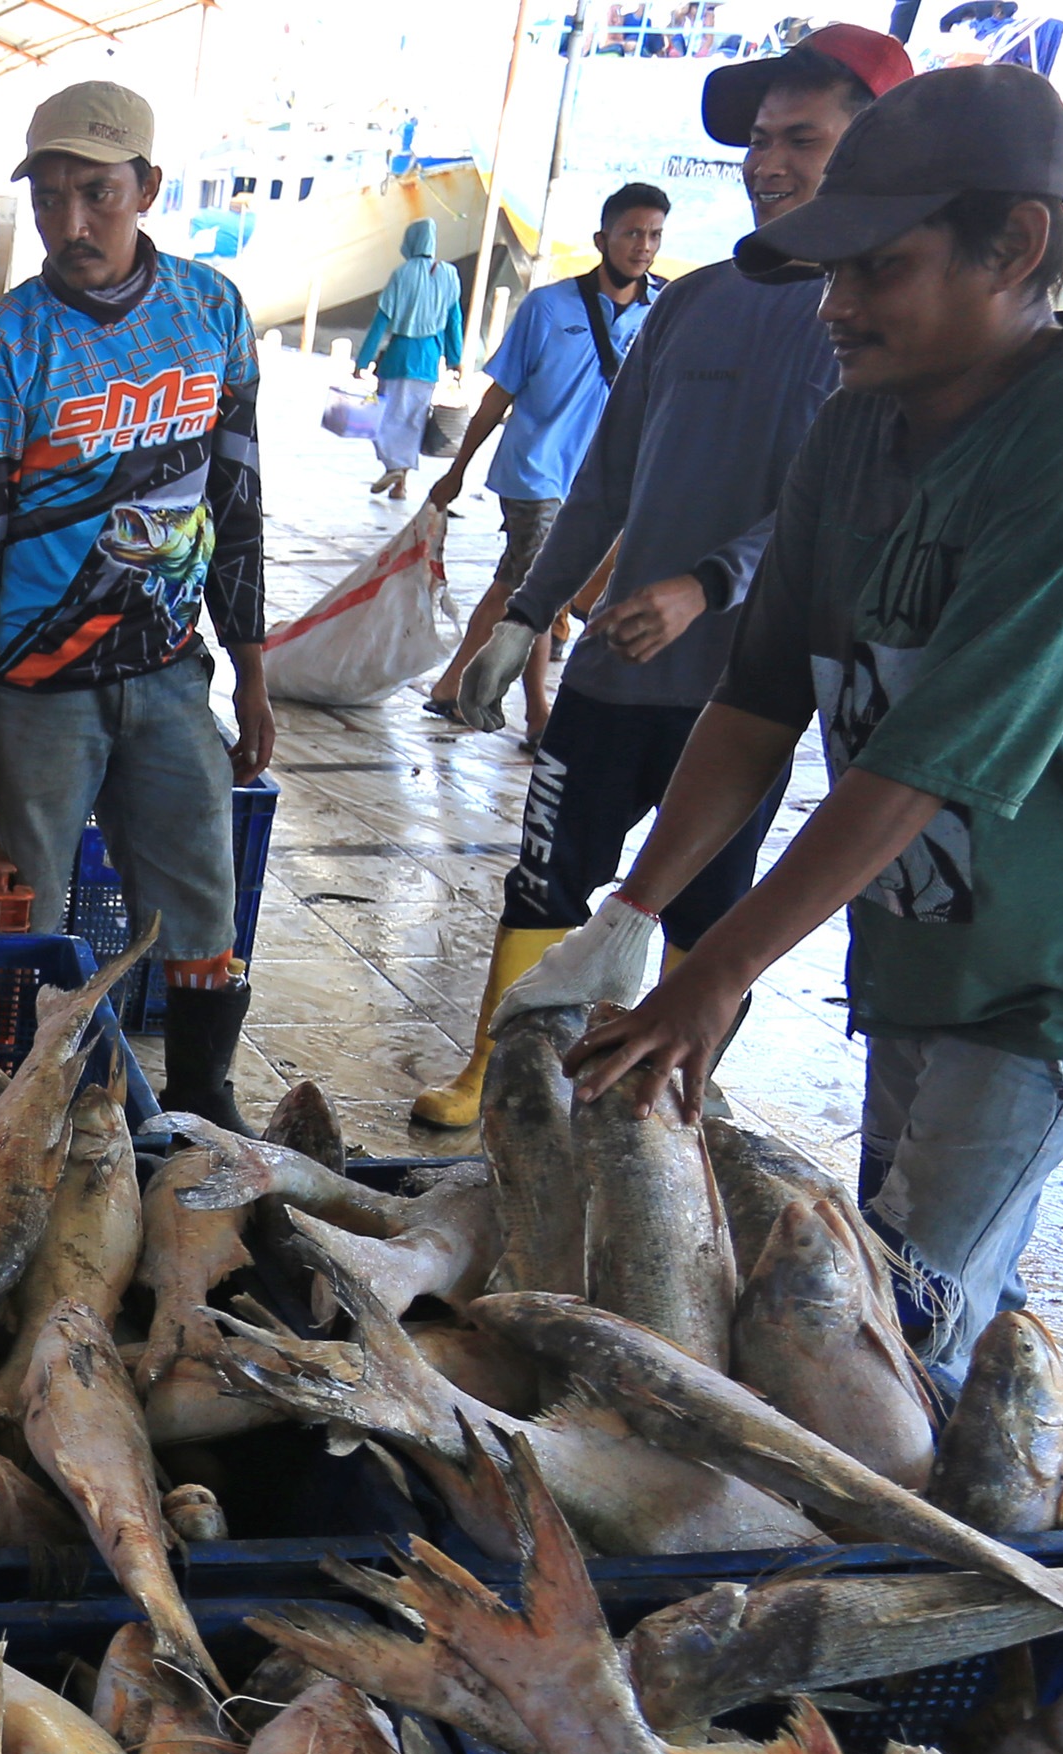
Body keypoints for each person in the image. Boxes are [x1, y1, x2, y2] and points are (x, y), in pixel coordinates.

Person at [565, 65, 1063, 1372]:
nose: (836, 306)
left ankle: (937, 1470)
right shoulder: (856, 425)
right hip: (922, 937)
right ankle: (992, 1443)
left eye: (878, 269)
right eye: (831, 272)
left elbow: (931, 756)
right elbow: (757, 699)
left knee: (890, 1315)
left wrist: (717, 972)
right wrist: (632, 916)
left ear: (1016, 246)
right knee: (930, 1255)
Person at [411, 22, 914, 1128]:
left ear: (877, 148)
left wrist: (709, 583)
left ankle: (673, 1099)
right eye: (759, 140)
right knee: (546, 873)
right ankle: (495, 1072)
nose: (766, 163)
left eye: (802, 139)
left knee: (708, 905)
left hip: (748, 688)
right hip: (614, 669)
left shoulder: (881, 324)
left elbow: (835, 503)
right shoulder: (691, 300)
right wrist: (526, 613)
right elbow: (605, 478)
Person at [0, 80, 273, 1129]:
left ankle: (203, 1100)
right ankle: (22, 1110)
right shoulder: (3, 347)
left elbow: (237, 497)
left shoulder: (212, 311)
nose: (71, 223)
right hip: (35, 694)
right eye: (50, 197)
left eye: (98, 194)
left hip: (170, 674)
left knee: (201, 897)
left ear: (149, 188)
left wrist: (252, 669)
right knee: (27, 909)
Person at [425, 182, 670, 735]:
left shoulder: (665, 310)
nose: (644, 246)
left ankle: (452, 685)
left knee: (512, 583)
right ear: (602, 239)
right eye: (632, 233)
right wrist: (457, 470)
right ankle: (537, 714)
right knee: (541, 586)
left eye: (655, 235)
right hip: (535, 471)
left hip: (606, 478)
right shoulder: (548, 306)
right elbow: (498, 394)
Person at [355, 218, 465, 498]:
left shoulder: (401, 274)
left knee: (385, 418)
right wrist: (455, 359)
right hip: (429, 360)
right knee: (413, 422)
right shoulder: (450, 275)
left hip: (398, 356)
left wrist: (362, 361)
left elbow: (380, 322)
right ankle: (400, 485)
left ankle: (393, 467)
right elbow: (454, 321)